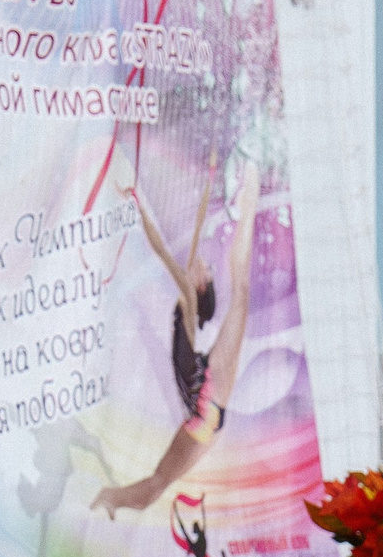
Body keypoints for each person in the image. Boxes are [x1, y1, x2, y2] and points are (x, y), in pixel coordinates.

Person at [93, 162, 260, 518]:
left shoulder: (187, 301)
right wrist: (140, 204)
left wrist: (138, 205)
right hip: (206, 407)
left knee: (157, 482)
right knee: (242, 291)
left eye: (205, 269)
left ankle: (111, 498)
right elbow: (174, 243)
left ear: (200, 285)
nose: (201, 263)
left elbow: (161, 249)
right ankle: (110, 497)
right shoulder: (187, 302)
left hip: (202, 408)